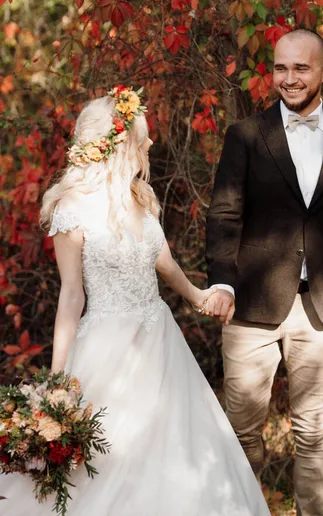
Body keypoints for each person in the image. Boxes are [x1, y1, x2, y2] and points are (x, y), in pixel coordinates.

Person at [1, 87, 270, 516]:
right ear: (120, 143)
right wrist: (56, 380)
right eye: (143, 136)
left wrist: (201, 295)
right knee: (106, 454)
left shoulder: (140, 197)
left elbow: (163, 262)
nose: (150, 144)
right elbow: (72, 296)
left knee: (178, 446)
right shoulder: (70, 210)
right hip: (107, 346)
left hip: (159, 339)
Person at [205, 30, 323, 516]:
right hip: (251, 306)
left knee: (313, 431)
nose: (289, 79)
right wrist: (222, 280)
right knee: (243, 433)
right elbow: (224, 214)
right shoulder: (245, 135)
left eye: (301, 68)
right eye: (281, 68)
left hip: (322, 308)